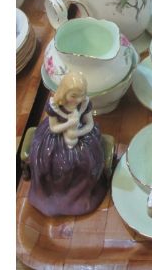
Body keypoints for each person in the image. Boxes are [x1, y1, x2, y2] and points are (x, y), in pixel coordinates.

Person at [27, 72, 108, 216]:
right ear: (64, 92)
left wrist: (78, 132)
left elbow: (89, 124)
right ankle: (55, 194)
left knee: (87, 162)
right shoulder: (55, 106)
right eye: (74, 96)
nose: (78, 100)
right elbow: (53, 127)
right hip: (55, 138)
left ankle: (80, 194)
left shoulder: (84, 104)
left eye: (81, 95)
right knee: (52, 162)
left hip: (81, 134)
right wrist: (69, 125)